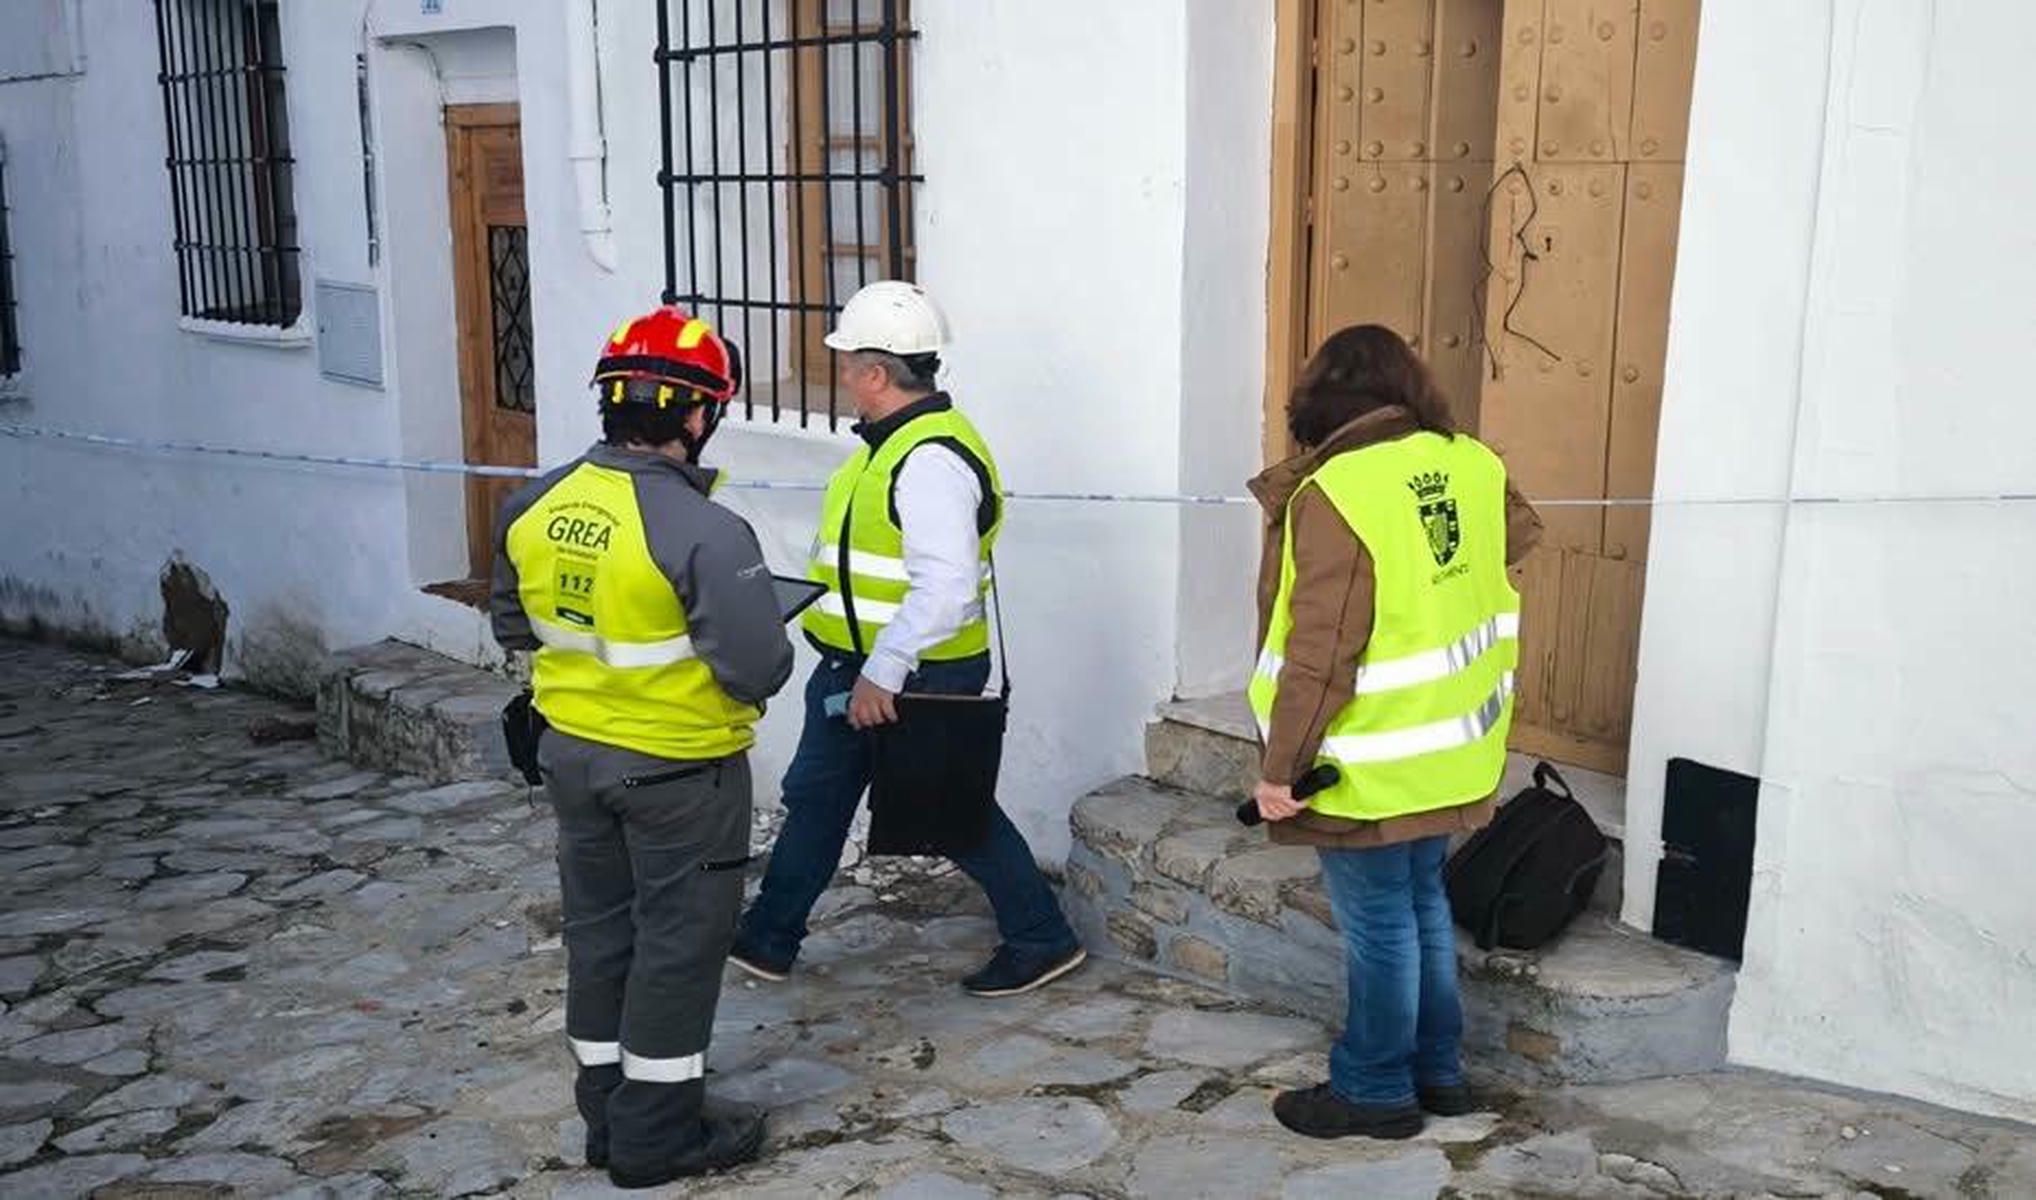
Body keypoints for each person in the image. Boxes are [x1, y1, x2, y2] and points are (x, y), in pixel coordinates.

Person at [490, 306, 796, 1189]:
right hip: (678, 771)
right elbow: (757, 668)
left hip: (574, 757)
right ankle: (657, 1138)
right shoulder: (707, 532)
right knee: (677, 945)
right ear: (699, 415)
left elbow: (515, 624)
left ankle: (609, 1114)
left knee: (598, 934)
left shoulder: (534, 501)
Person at [729, 280, 1086, 997]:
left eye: (847, 363)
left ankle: (1041, 938)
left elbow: (947, 587)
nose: (839, 376)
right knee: (819, 800)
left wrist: (884, 669)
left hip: (916, 675)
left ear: (875, 372)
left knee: (952, 813)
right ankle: (768, 938)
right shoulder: (882, 448)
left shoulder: (928, 461)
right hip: (856, 667)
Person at [1246, 325, 1542, 1141]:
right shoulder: (1473, 462)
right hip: (1454, 745)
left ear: (1320, 399)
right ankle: (1437, 1075)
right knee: (1421, 906)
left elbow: (1321, 648)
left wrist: (1281, 768)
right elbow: (1515, 542)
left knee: (1381, 924)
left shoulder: (1340, 490)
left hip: (1364, 760)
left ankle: (1375, 1089)